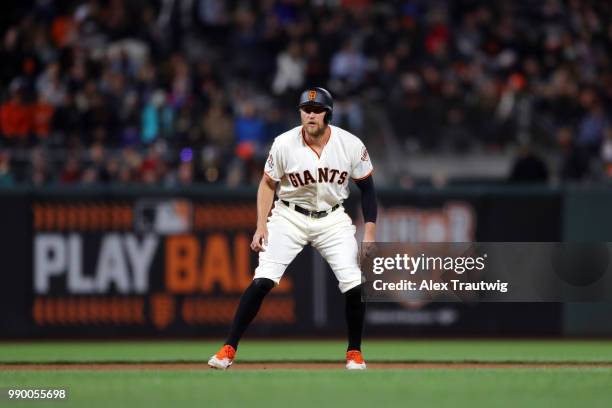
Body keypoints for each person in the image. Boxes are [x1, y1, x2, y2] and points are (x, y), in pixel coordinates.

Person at [208, 87, 378, 370]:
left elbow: (368, 190)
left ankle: (354, 353)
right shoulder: (284, 143)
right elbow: (267, 184)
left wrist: (370, 231)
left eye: (317, 110)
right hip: (289, 216)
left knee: (355, 284)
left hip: (332, 219)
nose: (310, 115)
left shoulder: (350, 144)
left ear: (328, 114)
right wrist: (261, 225)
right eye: (306, 110)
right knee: (263, 279)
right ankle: (228, 349)